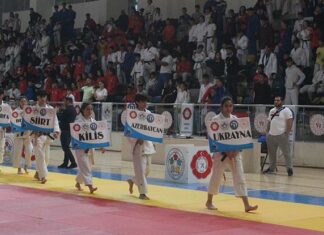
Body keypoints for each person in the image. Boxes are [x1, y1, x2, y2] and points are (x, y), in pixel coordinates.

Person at [206, 96, 258, 212]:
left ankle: (246, 205)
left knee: (240, 177)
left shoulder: (236, 119)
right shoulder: (216, 119)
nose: (228, 108)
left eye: (230, 106)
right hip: (221, 154)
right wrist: (225, 150)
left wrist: (236, 150)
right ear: (221, 107)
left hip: (235, 154)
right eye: (226, 106)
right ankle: (209, 201)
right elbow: (214, 139)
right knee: (216, 177)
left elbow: (241, 138)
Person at [127, 94, 156, 200]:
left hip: (148, 145)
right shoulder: (132, 115)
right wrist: (136, 139)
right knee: (141, 170)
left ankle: (133, 181)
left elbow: (153, 129)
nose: (145, 104)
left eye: (146, 101)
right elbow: (128, 132)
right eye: (143, 101)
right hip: (137, 147)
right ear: (137, 102)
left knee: (147, 170)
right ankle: (142, 193)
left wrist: (154, 141)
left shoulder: (149, 113)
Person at [32, 90, 60, 184]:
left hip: (47, 136)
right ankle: (43, 176)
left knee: (45, 157)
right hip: (36, 136)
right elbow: (27, 122)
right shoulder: (33, 109)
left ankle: (37, 172)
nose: (43, 99)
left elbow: (55, 121)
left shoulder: (50, 109)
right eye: (41, 97)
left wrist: (56, 131)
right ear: (38, 98)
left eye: (45, 97)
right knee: (40, 155)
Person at [264, 96, 294, 176]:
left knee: (286, 153)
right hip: (271, 136)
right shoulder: (272, 110)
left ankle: (289, 169)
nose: (276, 101)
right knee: (271, 154)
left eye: (278, 100)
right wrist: (267, 132)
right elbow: (269, 122)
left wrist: (286, 133)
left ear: (282, 101)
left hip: (282, 135)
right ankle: (272, 168)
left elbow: (290, 122)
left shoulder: (286, 110)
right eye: (275, 100)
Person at [74, 102, 98, 194]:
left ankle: (78, 182)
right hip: (81, 148)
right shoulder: (78, 121)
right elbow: (75, 134)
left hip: (91, 148)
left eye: (91, 109)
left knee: (87, 167)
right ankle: (90, 185)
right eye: (87, 109)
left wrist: (102, 146)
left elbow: (99, 135)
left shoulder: (93, 121)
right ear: (82, 110)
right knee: (86, 167)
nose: (90, 111)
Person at [12, 96, 33, 174]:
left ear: (27, 102)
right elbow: (13, 122)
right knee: (18, 151)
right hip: (18, 134)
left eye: (25, 101)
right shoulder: (16, 111)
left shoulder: (30, 111)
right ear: (19, 102)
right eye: (22, 101)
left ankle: (26, 166)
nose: (23, 103)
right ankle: (19, 168)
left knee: (29, 150)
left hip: (28, 134)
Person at [58, 97, 77, 169]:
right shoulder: (73, 110)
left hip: (66, 131)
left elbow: (61, 117)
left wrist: (58, 112)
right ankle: (65, 162)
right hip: (69, 130)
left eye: (64, 101)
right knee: (66, 147)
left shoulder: (67, 110)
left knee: (65, 147)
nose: (63, 103)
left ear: (68, 101)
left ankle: (73, 162)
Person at [0, 89, 9, 166]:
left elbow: (9, 118)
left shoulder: (6, 107)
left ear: (2, 96)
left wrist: (6, 125)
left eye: (0, 95)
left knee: (1, 148)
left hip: (2, 130)